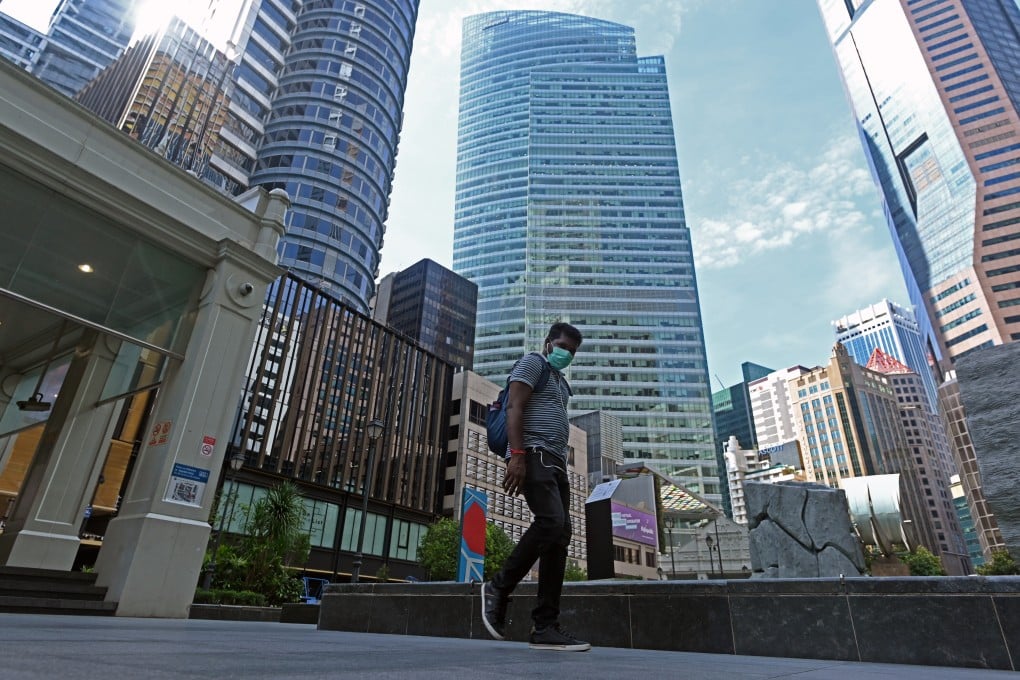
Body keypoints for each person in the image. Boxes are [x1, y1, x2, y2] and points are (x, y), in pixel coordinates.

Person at [480, 322, 590, 652]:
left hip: (556, 462)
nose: (566, 354)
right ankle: (498, 587)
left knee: (559, 538)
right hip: (534, 452)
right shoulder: (533, 363)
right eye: (562, 346)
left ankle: (545, 627)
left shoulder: (560, 382)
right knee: (551, 522)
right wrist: (517, 455)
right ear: (548, 342)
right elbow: (514, 406)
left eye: (572, 351)